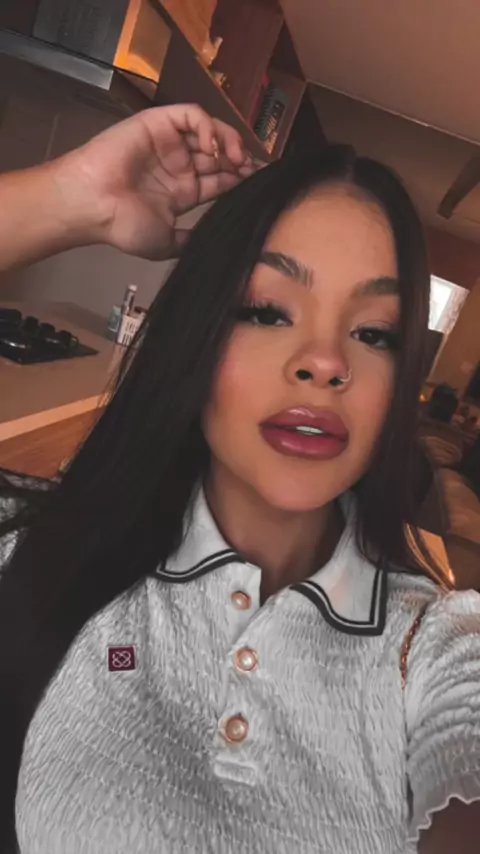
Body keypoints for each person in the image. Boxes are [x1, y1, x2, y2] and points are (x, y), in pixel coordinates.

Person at [0, 104, 479, 854]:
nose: (325, 362)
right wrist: (71, 198)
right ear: (198, 328)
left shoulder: (437, 647)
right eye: (267, 311)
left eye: (373, 332)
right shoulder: (33, 550)